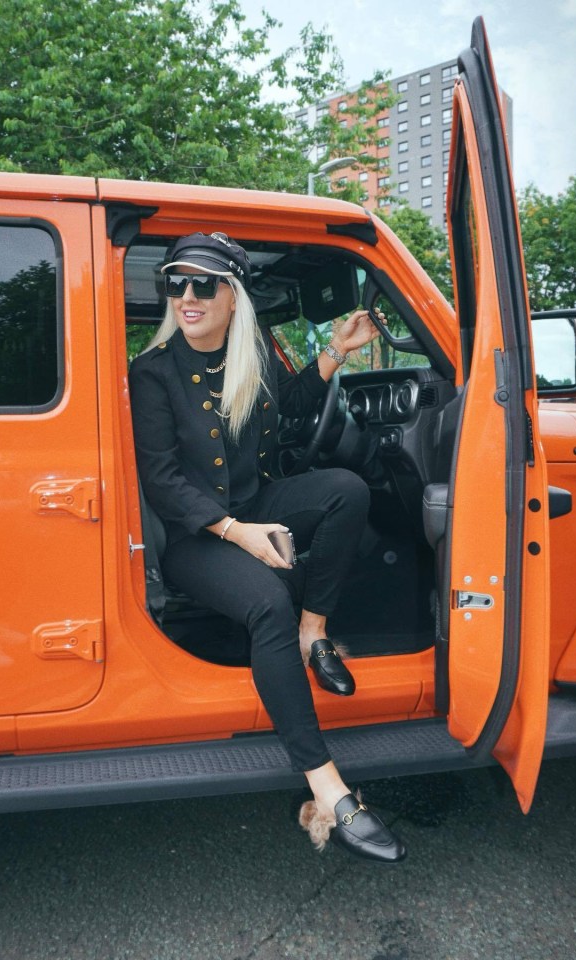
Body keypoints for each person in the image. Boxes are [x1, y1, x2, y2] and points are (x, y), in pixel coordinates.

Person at [129, 231, 406, 863]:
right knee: (265, 606)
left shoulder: (250, 351)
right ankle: (327, 787)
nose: (187, 296)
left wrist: (336, 352)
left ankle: (315, 630)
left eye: (204, 284)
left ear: (233, 295)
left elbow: (292, 409)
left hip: (254, 507)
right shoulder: (152, 371)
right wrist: (237, 534)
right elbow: (163, 479)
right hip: (196, 537)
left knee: (347, 490)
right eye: (176, 282)